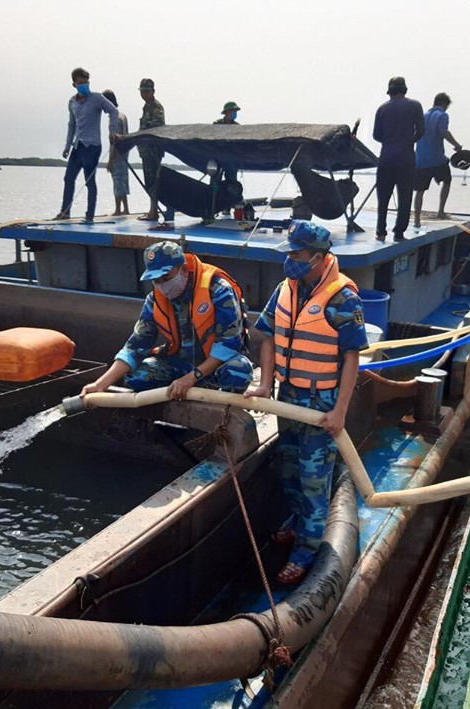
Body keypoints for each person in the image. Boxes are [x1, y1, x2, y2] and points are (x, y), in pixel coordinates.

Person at [245, 221, 368, 585]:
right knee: (288, 469)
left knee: (315, 480)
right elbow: (266, 336)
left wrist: (340, 411)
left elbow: (351, 357)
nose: (289, 260)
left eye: (295, 255)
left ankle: (306, 550)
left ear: (318, 257)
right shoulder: (286, 288)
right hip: (289, 396)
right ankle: (297, 522)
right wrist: (266, 385)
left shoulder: (343, 297)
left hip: (321, 401)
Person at [81, 240, 252, 398]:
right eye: (156, 280)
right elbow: (136, 346)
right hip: (179, 363)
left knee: (238, 371)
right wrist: (100, 384)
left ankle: (221, 406)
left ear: (183, 269)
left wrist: (192, 378)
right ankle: (172, 412)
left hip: (214, 365)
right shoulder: (154, 300)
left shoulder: (218, 291)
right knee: (136, 377)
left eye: (166, 278)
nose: (163, 285)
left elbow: (228, 344)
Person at [55, 67, 120, 222]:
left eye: (86, 82)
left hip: (92, 146)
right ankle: (65, 212)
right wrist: (67, 145)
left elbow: (113, 111)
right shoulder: (72, 102)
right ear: (74, 84)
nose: (84, 85)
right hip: (78, 146)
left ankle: (90, 214)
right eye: (81, 83)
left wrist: (112, 131)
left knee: (89, 181)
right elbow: (72, 124)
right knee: (68, 178)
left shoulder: (96, 98)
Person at [373, 77, 425, 242]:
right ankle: (398, 233)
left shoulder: (382, 109)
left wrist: (390, 142)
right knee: (405, 197)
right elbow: (421, 130)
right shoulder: (415, 106)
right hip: (406, 157)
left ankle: (381, 232)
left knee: (383, 198)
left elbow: (376, 135)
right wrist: (409, 140)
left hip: (386, 156)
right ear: (404, 90)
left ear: (390, 92)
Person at [413, 92, 463, 229]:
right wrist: (456, 145)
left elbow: (413, 135)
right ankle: (441, 211)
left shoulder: (422, 116)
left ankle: (416, 220)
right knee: (447, 181)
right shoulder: (442, 115)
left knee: (419, 191)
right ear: (443, 104)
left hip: (421, 160)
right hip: (437, 159)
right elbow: (443, 132)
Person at [136, 78, 175, 230]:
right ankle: (152, 210)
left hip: (153, 150)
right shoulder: (146, 107)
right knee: (149, 181)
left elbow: (156, 127)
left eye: (147, 91)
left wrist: (141, 133)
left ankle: (154, 211)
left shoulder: (157, 107)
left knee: (154, 181)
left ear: (153, 91)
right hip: (146, 151)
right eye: (142, 91)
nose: (144, 94)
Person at [102, 90, 130, 216]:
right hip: (125, 153)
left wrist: (110, 161)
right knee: (122, 181)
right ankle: (125, 208)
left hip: (118, 154)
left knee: (117, 181)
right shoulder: (123, 116)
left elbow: (115, 142)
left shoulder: (114, 119)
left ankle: (118, 209)